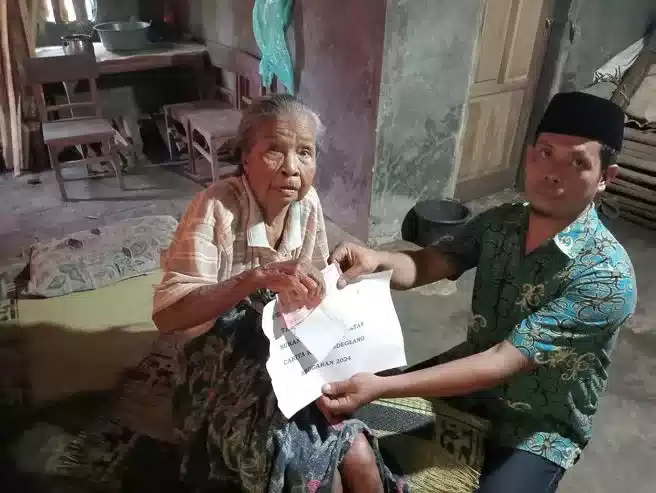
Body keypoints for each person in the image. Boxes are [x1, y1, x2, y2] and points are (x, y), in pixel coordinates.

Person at [319, 91, 637, 493]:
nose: (553, 172)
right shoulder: (500, 224)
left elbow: (504, 360)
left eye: (577, 162)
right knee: (349, 429)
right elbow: (428, 264)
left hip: (537, 427)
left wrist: (383, 385)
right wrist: (376, 259)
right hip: (467, 384)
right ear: (529, 155)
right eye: (545, 153)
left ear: (607, 177)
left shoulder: (606, 276)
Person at [152, 94, 397, 493]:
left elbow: (314, 290)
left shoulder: (308, 204)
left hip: (284, 346)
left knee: (356, 447)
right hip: (220, 355)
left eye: (305, 152)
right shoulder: (215, 208)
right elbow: (169, 316)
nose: (291, 168)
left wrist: (325, 285)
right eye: (274, 151)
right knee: (308, 462)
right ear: (245, 158)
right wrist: (254, 279)